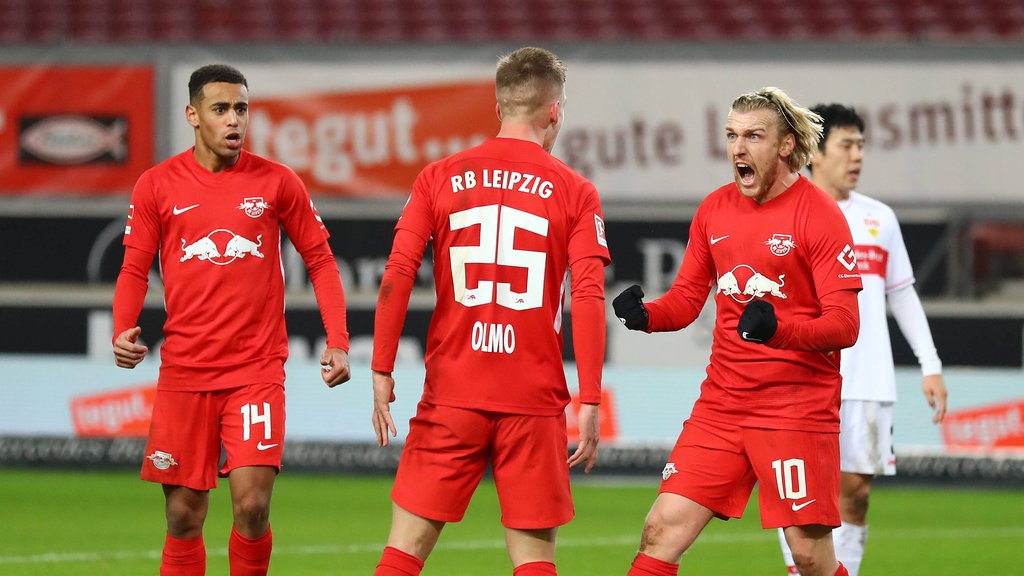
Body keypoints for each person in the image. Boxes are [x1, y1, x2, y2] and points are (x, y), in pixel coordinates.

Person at [369, 46, 610, 576]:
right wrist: (590, 397)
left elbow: (396, 275)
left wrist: (382, 366)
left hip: (454, 389)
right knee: (533, 561)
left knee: (403, 552)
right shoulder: (576, 190)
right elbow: (588, 296)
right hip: (532, 396)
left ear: (498, 108)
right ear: (554, 111)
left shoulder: (439, 176)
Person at [112, 64, 351, 576]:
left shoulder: (278, 181)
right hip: (185, 372)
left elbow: (321, 260)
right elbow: (134, 267)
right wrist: (122, 328)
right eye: (221, 109)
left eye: (241, 108)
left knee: (251, 507)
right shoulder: (157, 185)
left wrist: (338, 340)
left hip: (256, 372)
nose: (233, 119)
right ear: (193, 115)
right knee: (182, 515)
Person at [613, 87, 863, 576]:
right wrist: (646, 316)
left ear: (786, 145)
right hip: (723, 406)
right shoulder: (714, 210)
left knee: (810, 555)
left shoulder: (820, 215)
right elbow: (686, 301)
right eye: (731, 136)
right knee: (661, 529)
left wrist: (778, 330)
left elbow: (845, 324)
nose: (737, 149)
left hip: (794, 408)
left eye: (753, 136)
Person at [775, 103, 948, 576]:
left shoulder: (879, 218)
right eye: (847, 145)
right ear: (816, 153)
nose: (857, 156)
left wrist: (929, 364)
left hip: (867, 375)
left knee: (855, 491)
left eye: (861, 146)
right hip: (802, 376)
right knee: (801, 488)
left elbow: (902, 294)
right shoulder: (784, 213)